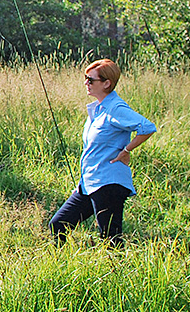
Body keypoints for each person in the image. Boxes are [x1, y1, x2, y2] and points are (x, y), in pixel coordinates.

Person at [49, 59, 156, 246]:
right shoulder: (98, 109)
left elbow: (147, 127)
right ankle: (60, 263)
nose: (86, 83)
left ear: (106, 83)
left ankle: (118, 273)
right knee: (58, 224)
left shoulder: (116, 108)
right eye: (85, 78)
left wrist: (126, 150)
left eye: (91, 80)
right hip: (90, 183)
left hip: (109, 182)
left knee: (110, 240)